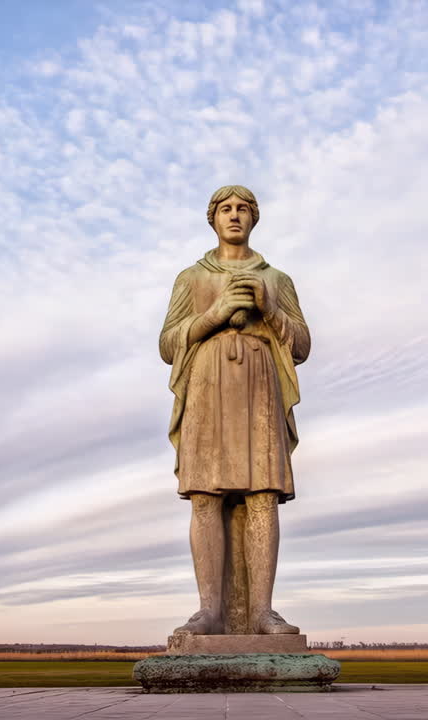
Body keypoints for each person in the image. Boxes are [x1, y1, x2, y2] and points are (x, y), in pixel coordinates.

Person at [159, 185, 311, 635]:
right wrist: (217, 313)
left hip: (259, 388)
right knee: (205, 494)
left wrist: (270, 310)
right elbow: (168, 345)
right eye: (225, 208)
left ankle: (262, 613)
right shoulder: (191, 278)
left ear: (254, 218)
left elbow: (302, 345)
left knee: (263, 494)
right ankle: (210, 611)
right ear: (212, 218)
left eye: (243, 208)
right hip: (207, 387)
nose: (235, 215)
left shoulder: (277, 279)